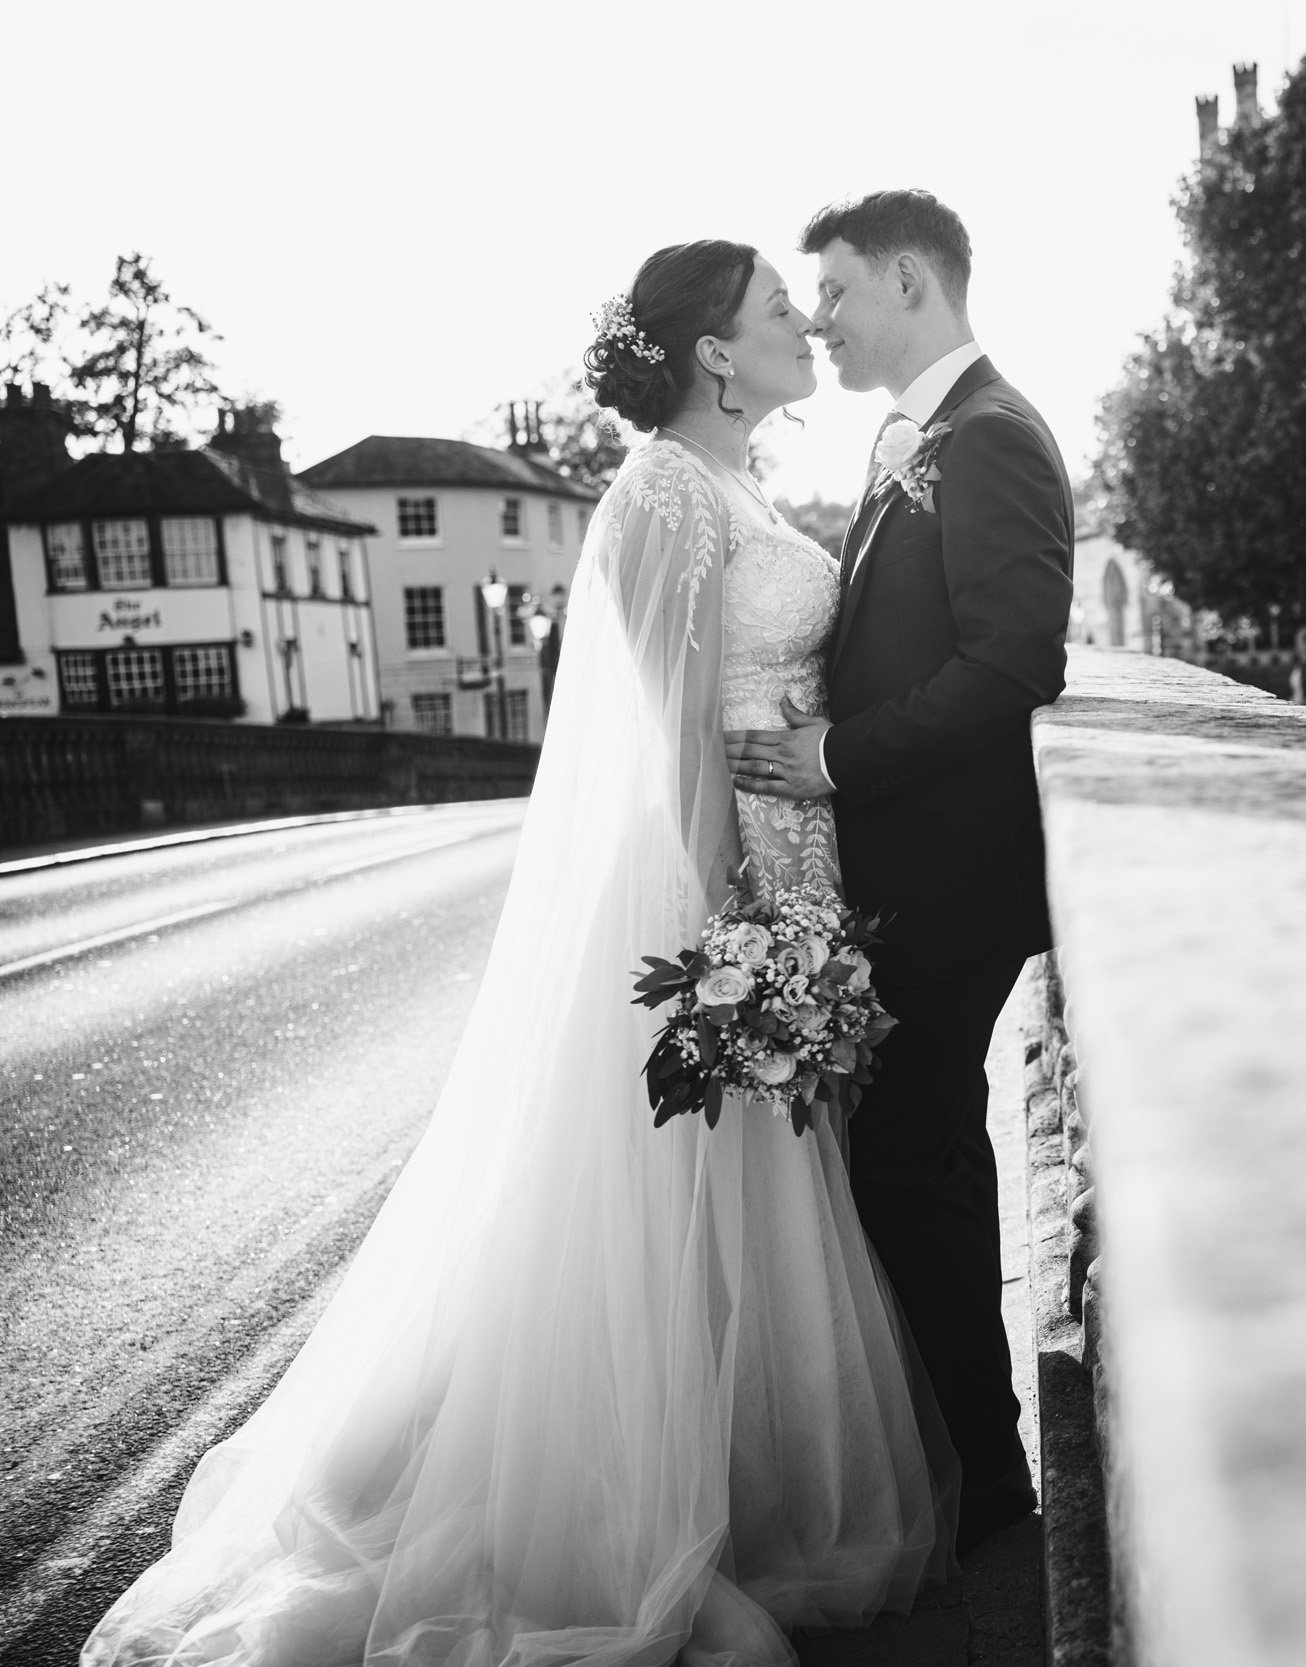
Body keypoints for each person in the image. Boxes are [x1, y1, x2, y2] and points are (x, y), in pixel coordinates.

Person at [80, 240, 956, 1667]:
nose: (806, 322)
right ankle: (615, 1517)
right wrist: (737, 921)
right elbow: (674, 726)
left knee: (753, 1220)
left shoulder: (737, 484)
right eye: (780, 310)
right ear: (714, 354)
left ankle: (729, 1486)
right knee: (678, 1219)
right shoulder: (661, 490)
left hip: (794, 868)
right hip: (715, 885)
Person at [726, 189, 1074, 1557]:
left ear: (914, 285)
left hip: (952, 876)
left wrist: (834, 761)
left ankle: (987, 1485)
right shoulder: (910, 435)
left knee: (910, 1161)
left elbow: (1013, 662)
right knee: (917, 1158)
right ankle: (961, 1459)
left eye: (840, 292)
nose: (821, 318)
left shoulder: (990, 438)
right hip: (905, 870)